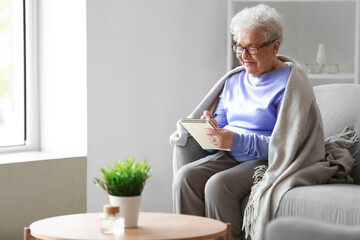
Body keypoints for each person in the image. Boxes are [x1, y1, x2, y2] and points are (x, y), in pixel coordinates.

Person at [171, 4, 295, 240]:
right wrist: (213, 130)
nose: (243, 56)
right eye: (239, 46)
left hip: (264, 161)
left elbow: (285, 145)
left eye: (253, 48)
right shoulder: (234, 81)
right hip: (229, 154)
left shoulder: (289, 85)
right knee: (185, 178)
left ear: (275, 46)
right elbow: (220, 130)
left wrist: (234, 140)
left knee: (218, 185)